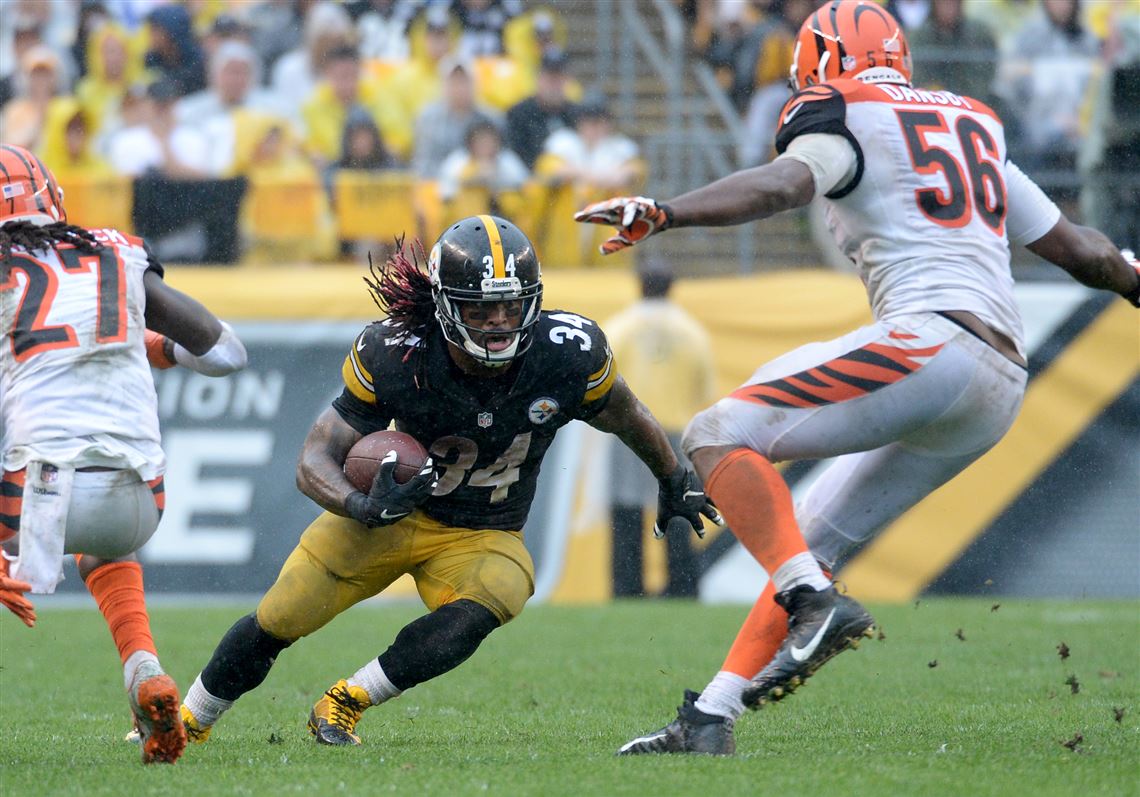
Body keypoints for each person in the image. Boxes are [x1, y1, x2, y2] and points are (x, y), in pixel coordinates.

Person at [576, 0, 1140, 755]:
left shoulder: (845, 110)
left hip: (933, 341)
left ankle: (814, 600)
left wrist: (668, 212)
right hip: (1001, 377)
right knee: (809, 538)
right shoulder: (970, 120)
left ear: (817, 65)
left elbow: (782, 185)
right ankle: (711, 715)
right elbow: (1084, 253)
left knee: (717, 433)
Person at [178, 215, 722, 747]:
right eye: (481, 310)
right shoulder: (396, 350)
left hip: (484, 531)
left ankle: (347, 700)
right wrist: (359, 504)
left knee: (499, 594)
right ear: (443, 306)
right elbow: (315, 457)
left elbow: (626, 413)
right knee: (280, 616)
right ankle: (187, 721)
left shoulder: (566, 352)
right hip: (391, 517)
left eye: (511, 306)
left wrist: (672, 477)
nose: (499, 322)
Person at [0, 144, 249, 763]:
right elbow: (226, 354)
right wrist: (158, 348)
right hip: (138, 500)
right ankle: (143, 669)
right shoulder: (114, 251)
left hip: (25, 501)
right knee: (108, 544)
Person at [604, 262, 717, 598]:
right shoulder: (692, 331)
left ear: (640, 285)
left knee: (626, 510)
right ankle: (682, 587)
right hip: (677, 429)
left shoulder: (621, 327)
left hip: (630, 430)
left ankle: (627, 587)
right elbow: (703, 387)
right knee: (680, 505)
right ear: (671, 286)